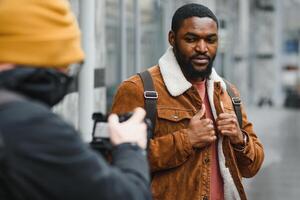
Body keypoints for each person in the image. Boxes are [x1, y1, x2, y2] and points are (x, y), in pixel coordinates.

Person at [0, 0, 151, 199]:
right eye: (62, 64)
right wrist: (130, 147)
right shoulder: (29, 124)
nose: (65, 75)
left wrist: (78, 156)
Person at [112, 3, 264, 200]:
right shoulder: (139, 89)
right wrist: (187, 140)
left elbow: (253, 167)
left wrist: (239, 139)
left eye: (210, 40)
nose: (202, 48)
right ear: (172, 39)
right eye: (191, 39)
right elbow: (115, 160)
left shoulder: (227, 92)